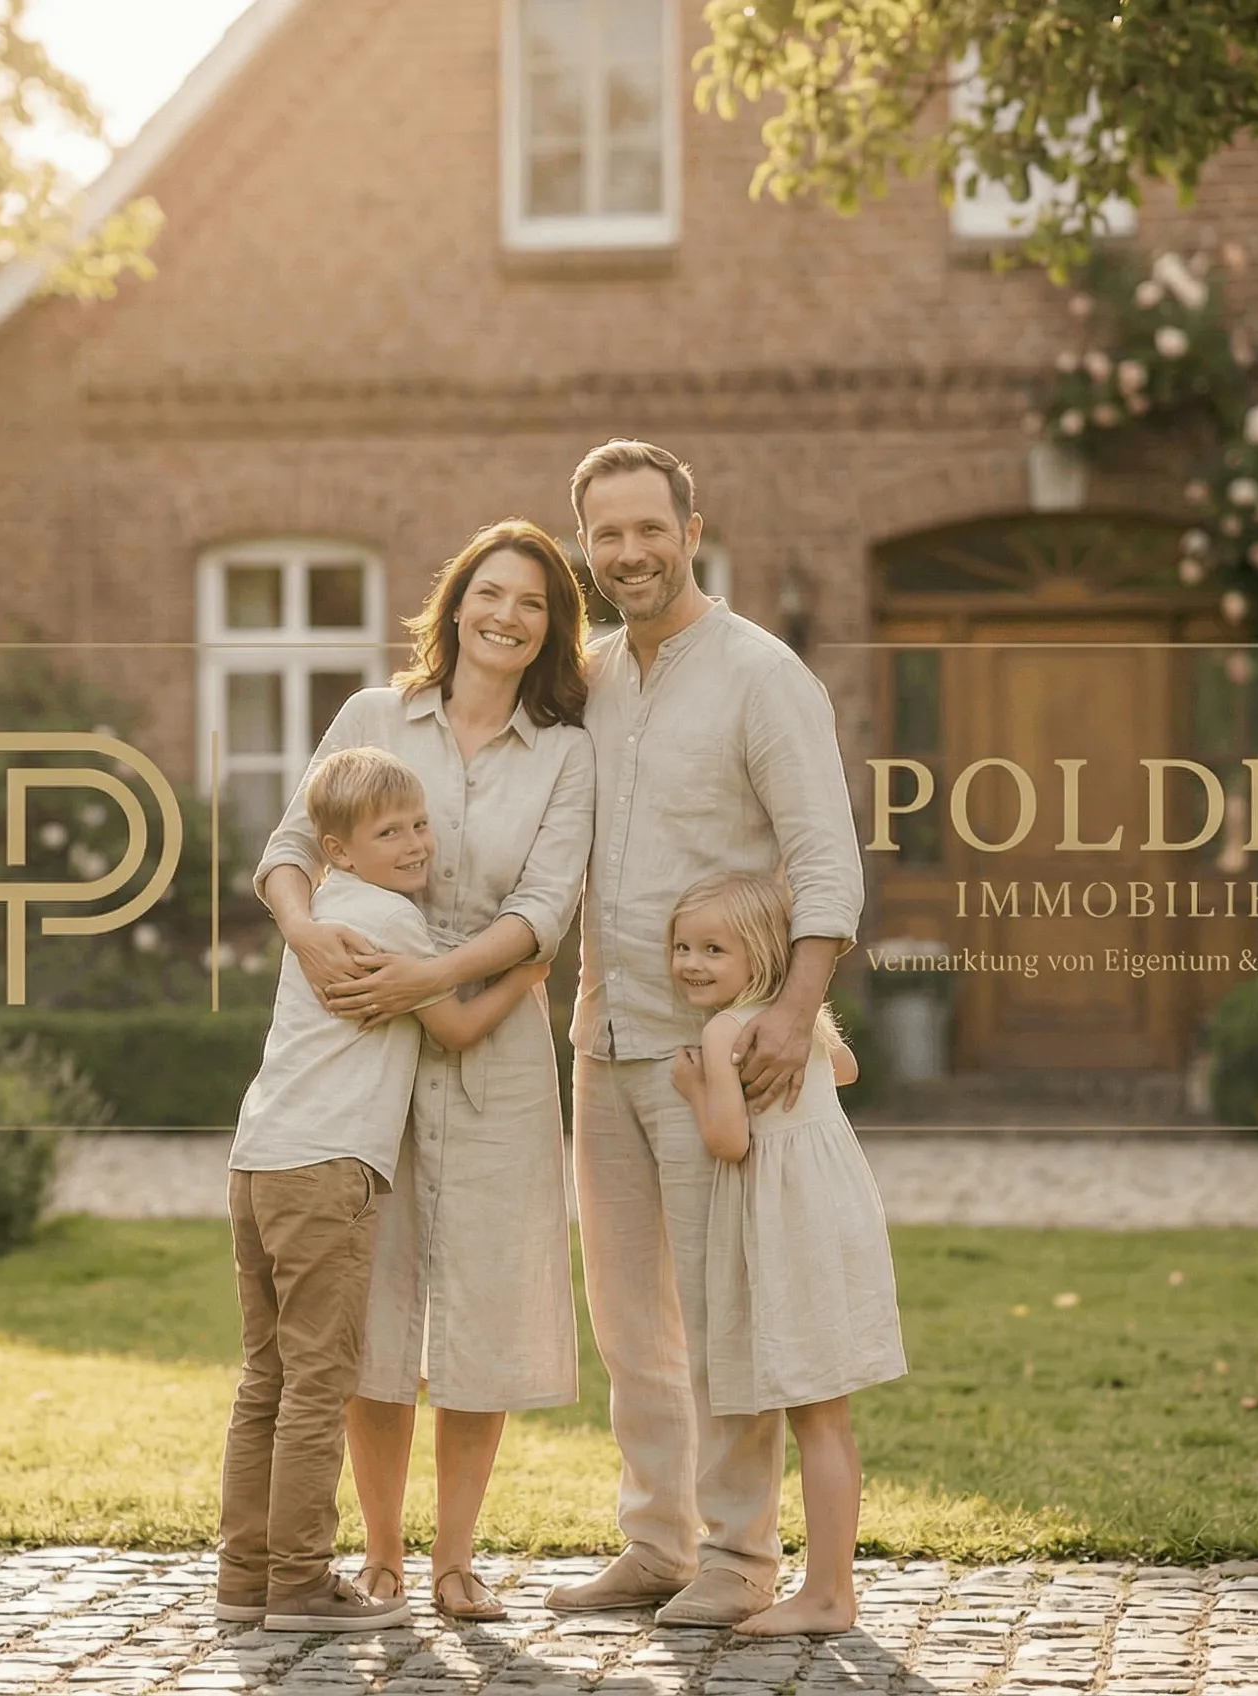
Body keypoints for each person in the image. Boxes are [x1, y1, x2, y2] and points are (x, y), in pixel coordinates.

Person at [546, 440, 867, 1628]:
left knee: (723, 1307)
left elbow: (826, 860)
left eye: (646, 528)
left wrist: (791, 1012)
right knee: (631, 1319)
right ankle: (656, 1541)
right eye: (605, 534)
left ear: (691, 528)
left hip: (717, 1054)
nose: (626, 552)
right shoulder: (591, 678)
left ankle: (740, 1557)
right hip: (601, 1034)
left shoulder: (760, 675)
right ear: (586, 545)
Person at [256, 520, 594, 1623]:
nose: (504, 615)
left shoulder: (563, 750)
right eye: (487, 592)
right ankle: (383, 1557)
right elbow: (289, 846)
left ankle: (455, 1559)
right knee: (378, 1307)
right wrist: (306, 934)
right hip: (365, 1060)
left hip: (491, 1048)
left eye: (530, 603)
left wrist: (432, 977)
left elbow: (545, 905)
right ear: (454, 604)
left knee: (485, 1310)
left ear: (551, 627)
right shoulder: (369, 717)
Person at [220, 746, 550, 1634]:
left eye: (418, 825)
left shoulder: (326, 911)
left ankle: (242, 1575)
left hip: (259, 1161)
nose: (414, 844)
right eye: (388, 832)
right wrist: (526, 972)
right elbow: (453, 1027)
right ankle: (297, 1583)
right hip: (328, 1171)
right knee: (320, 1382)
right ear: (337, 848)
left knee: (268, 1380)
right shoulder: (393, 921)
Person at [666, 871, 905, 1636]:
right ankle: (831, 1587)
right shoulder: (799, 1024)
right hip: (833, 1207)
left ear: (760, 955)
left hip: (787, 1223)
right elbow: (847, 1071)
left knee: (816, 1417)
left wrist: (699, 1087)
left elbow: (730, 1141)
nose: (692, 963)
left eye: (713, 949)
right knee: (829, 1417)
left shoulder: (722, 1034)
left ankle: (829, 1597)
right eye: (682, 947)